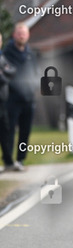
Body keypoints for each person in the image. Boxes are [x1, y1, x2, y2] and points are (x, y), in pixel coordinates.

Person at [4, 23, 38, 172]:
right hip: (11, 98)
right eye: (19, 33)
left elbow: (36, 73)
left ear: (28, 35)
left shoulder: (31, 54)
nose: (21, 36)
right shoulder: (7, 53)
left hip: (28, 99)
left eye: (24, 33)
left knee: (25, 131)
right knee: (9, 130)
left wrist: (34, 87)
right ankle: (8, 161)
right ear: (14, 35)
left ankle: (20, 160)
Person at [0, 33, 16, 173]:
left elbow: (12, 71)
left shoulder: (2, 57)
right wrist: (4, 75)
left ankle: (8, 161)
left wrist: (4, 74)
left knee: (5, 131)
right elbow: (4, 78)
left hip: (3, 102)